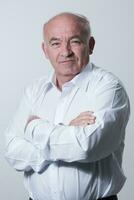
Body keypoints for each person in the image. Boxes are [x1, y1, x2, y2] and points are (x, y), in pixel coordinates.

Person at [5, 12, 130, 200]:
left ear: (91, 45)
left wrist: (34, 128)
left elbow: (86, 147)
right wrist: (67, 132)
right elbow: (12, 152)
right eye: (55, 43)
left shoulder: (109, 87)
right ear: (45, 50)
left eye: (75, 41)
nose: (65, 51)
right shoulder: (34, 90)